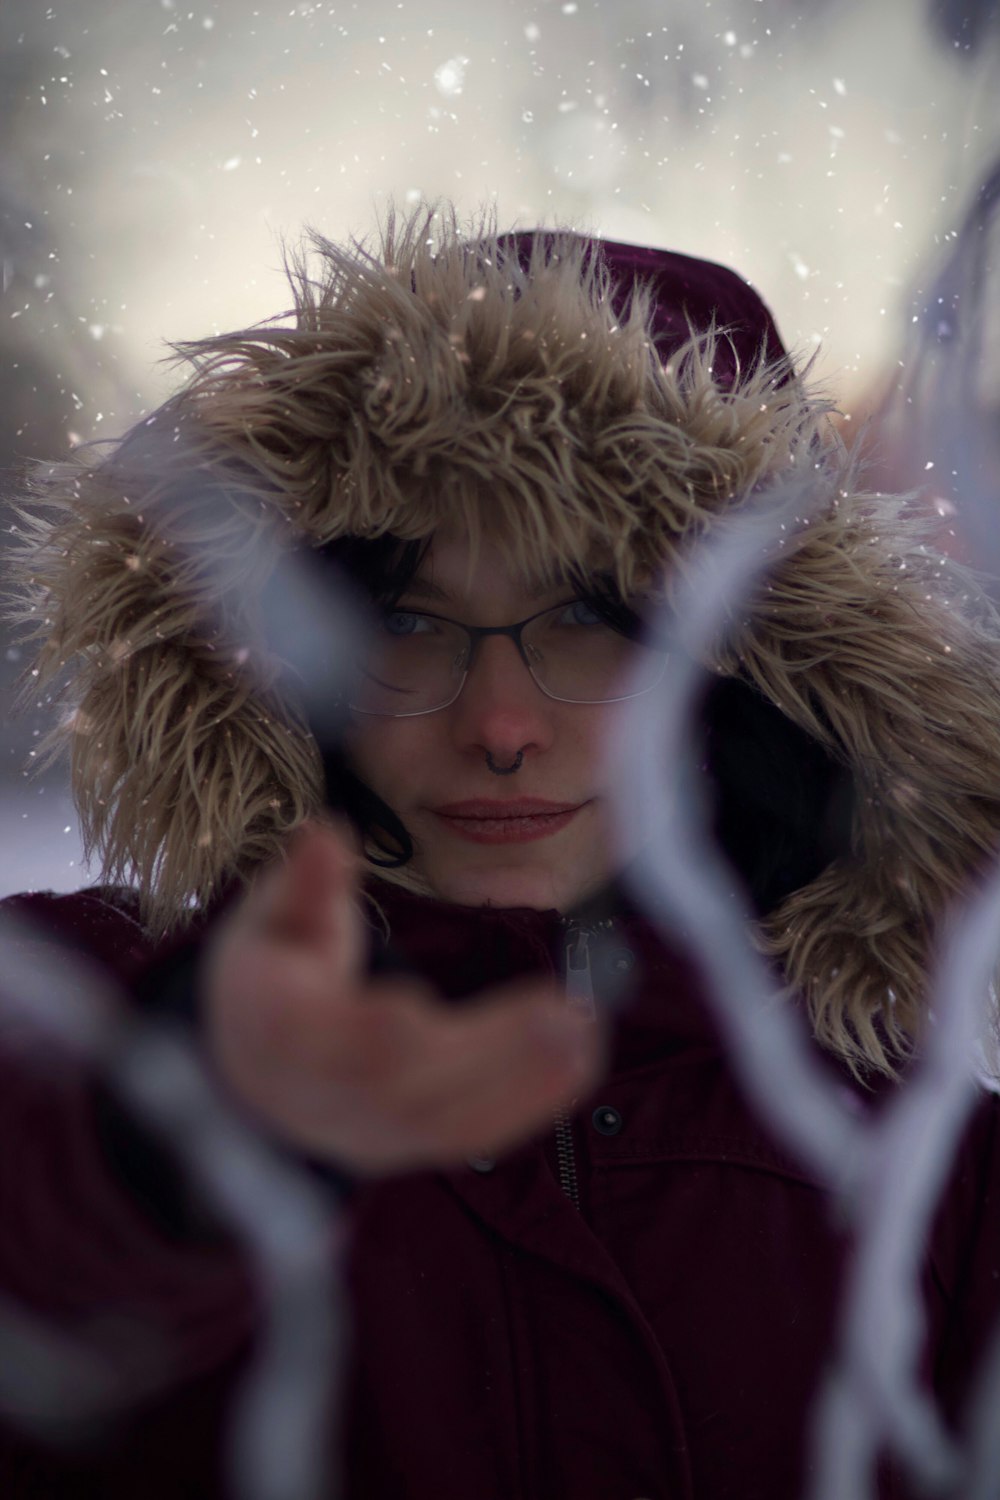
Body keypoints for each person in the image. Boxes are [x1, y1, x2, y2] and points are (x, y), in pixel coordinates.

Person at [2, 204, 1000, 1500]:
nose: (504, 728)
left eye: (588, 614)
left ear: (742, 668)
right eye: (413, 623)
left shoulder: (932, 1178)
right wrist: (169, 1143)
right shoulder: (74, 1014)